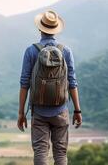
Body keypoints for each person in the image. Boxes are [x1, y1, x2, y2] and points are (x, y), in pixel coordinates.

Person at [17, 10, 82, 165]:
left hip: (38, 111)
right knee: (60, 153)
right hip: (61, 110)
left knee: (40, 151)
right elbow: (72, 82)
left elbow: (24, 83)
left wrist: (21, 113)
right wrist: (77, 110)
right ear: (56, 29)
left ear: (40, 28)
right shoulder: (65, 51)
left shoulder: (31, 51)